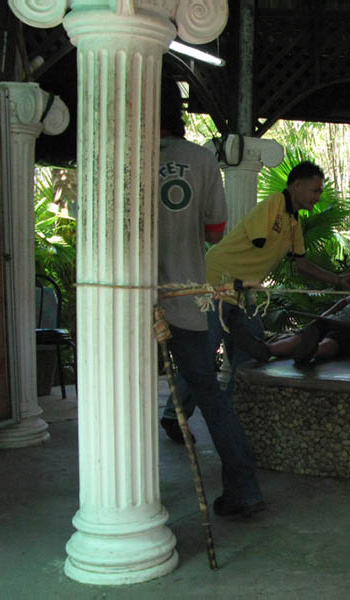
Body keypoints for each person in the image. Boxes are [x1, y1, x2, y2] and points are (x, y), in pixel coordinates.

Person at [156, 77, 265, 518]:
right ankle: (244, 488)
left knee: (118, 391)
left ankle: (130, 500)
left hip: (127, 299)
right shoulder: (201, 159)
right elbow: (214, 232)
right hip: (184, 297)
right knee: (209, 393)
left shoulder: (125, 152)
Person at [204, 160, 350, 388]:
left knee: (251, 352)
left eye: (320, 192)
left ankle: (233, 407)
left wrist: (338, 280)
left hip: (244, 290)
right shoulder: (276, 201)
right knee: (205, 352)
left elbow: (302, 264)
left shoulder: (294, 221)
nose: (318, 197)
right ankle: (173, 414)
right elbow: (259, 241)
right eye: (315, 190)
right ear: (296, 185)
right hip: (217, 281)